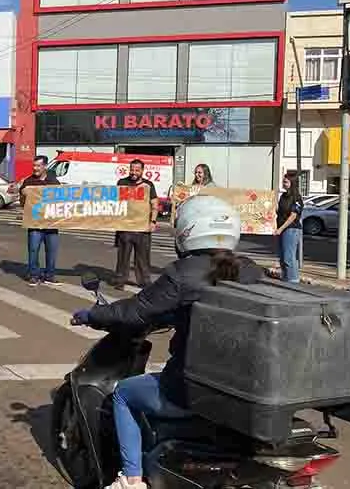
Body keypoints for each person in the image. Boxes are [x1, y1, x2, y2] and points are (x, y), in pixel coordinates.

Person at [71, 195, 263, 489]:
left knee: (123, 393)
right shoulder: (250, 270)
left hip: (190, 389)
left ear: (187, 231)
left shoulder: (183, 273)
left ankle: (131, 480)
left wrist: (91, 315)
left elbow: (134, 311)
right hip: (241, 386)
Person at [113, 160, 159, 290]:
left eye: (137, 170)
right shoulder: (122, 183)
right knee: (123, 257)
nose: (134, 172)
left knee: (143, 259)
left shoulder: (148, 185)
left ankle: (144, 282)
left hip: (142, 228)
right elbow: (115, 202)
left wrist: (153, 222)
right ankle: (120, 281)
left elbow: (154, 205)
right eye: (132, 169)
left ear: (142, 171)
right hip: (125, 227)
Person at [19, 155, 61, 286]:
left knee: (51, 250)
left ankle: (49, 275)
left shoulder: (53, 181)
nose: (35, 168)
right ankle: (33, 275)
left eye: (38, 166)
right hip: (35, 223)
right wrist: (23, 193)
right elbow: (22, 202)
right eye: (34, 165)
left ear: (45, 166)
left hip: (51, 223)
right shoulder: (28, 182)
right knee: (33, 250)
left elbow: (61, 199)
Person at [276, 173, 303, 283]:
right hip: (281, 228)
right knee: (282, 257)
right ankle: (285, 278)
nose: (283, 183)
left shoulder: (296, 198)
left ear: (292, 183)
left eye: (286, 182)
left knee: (289, 257)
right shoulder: (283, 196)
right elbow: (279, 212)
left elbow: (293, 216)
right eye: (283, 181)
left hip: (291, 229)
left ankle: (293, 281)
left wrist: (281, 229)